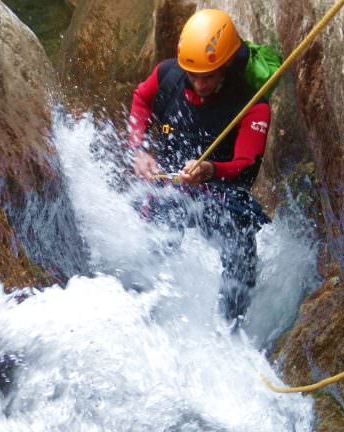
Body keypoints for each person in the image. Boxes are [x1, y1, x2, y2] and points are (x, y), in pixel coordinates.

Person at [127, 8, 273, 325]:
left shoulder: (253, 105)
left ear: (227, 66)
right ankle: (141, 317)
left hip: (222, 195)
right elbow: (140, 99)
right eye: (193, 75)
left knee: (240, 253)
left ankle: (231, 327)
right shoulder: (167, 75)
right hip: (172, 189)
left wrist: (211, 170)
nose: (199, 83)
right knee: (154, 248)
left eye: (208, 76)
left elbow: (246, 162)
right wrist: (139, 151)